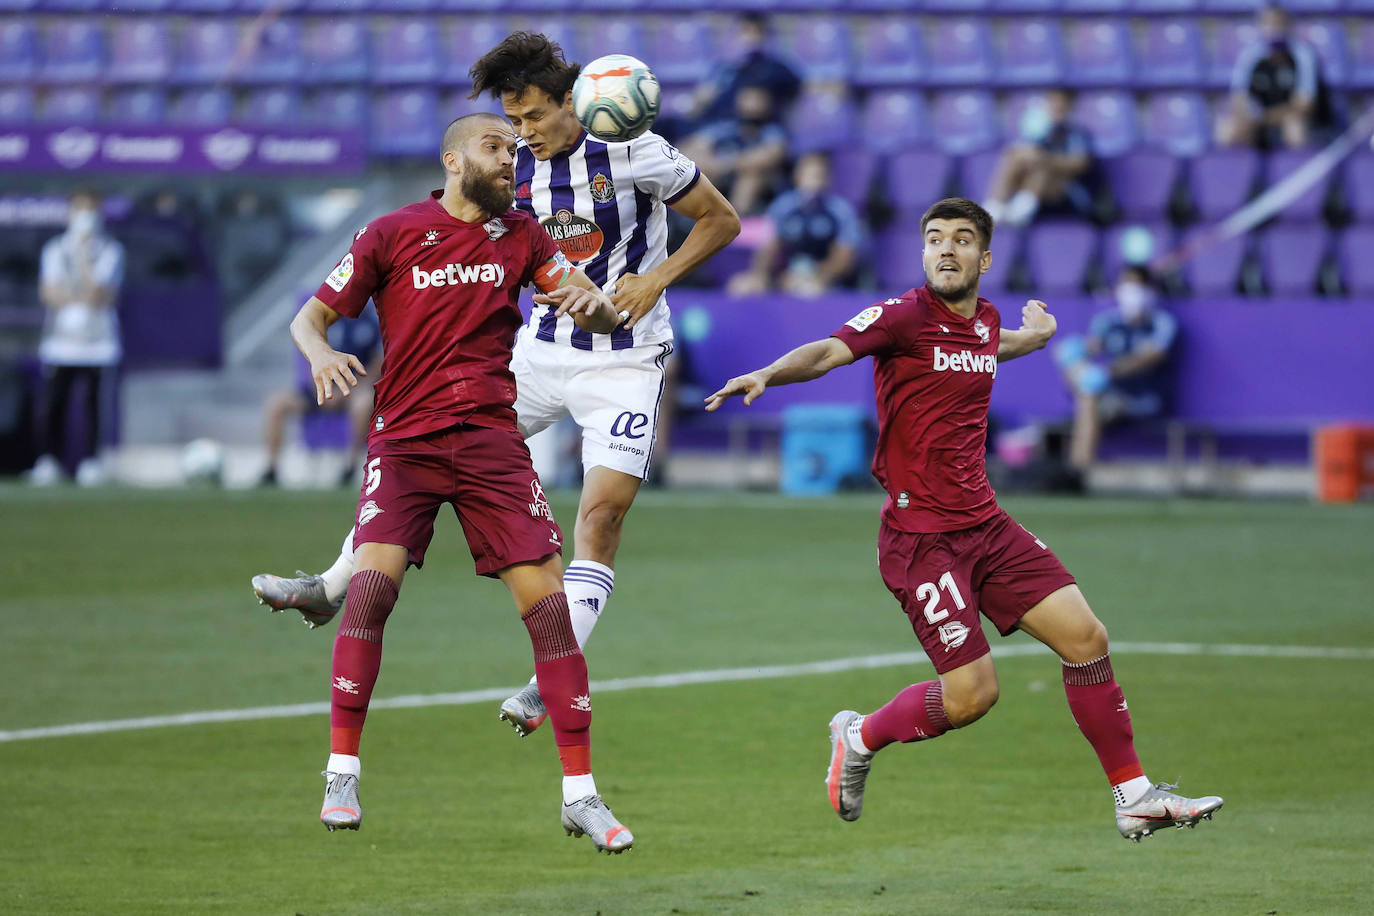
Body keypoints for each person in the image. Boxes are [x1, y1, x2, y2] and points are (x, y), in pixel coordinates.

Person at [252, 32, 740, 736]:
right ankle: (331, 586)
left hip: (626, 359)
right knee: (418, 448)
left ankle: (550, 678)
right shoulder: (511, 173)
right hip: (538, 353)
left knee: (600, 519)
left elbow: (722, 219)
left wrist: (656, 277)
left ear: (572, 103)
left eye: (535, 117)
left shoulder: (636, 149)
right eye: (511, 123)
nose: (523, 135)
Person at [705, 198, 1223, 842]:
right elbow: (831, 351)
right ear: (923, 254)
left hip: (988, 526)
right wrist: (767, 373)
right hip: (922, 541)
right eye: (934, 238)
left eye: (961, 239)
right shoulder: (901, 317)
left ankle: (1135, 796)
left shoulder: (984, 322)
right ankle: (859, 734)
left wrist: (1033, 339)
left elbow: (983, 345)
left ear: (985, 257)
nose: (946, 248)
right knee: (973, 697)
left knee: (1087, 640)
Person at [294, 110, 633, 851]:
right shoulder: (389, 231)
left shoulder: (526, 236)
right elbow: (310, 318)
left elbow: (598, 311)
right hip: (407, 442)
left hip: (490, 442)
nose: (508, 158)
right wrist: (321, 353)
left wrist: (596, 305)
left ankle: (581, 795)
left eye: (513, 149)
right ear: (454, 160)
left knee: (548, 611)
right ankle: (341, 773)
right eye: (493, 146)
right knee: (373, 589)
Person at [27, 189, 125, 487]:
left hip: (98, 341)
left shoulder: (110, 249)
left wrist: (83, 257)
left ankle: (90, 461)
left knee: (93, 403)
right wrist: (77, 295)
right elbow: (49, 293)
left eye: (91, 210)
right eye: (81, 209)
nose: (86, 217)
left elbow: (99, 293)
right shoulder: (55, 248)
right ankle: (49, 460)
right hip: (61, 340)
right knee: (56, 401)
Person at [1055, 265, 1178, 474]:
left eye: (1136, 285)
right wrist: (1072, 356)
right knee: (1085, 389)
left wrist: (1109, 372)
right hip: (1111, 397)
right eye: (1126, 284)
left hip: (1145, 398)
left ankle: (1078, 469)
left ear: (1149, 290)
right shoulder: (1107, 321)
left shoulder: (1162, 322)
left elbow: (1151, 358)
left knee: (1088, 397)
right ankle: (1079, 468)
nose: (1130, 291)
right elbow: (1090, 346)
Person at [257, 305, 380, 488]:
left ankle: (350, 467)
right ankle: (271, 468)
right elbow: (312, 355)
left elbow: (377, 365)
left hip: (354, 389)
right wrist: (323, 387)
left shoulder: (372, 324)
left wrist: (350, 388)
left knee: (363, 404)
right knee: (277, 403)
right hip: (323, 387)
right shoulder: (327, 320)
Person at [728, 152, 864, 297]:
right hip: (786, 276)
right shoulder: (783, 206)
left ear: (827, 180)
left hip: (825, 279)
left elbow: (843, 258)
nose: (812, 183)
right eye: (807, 175)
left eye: (817, 176)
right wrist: (760, 276)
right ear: (797, 177)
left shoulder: (841, 211)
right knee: (741, 287)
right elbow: (768, 247)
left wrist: (817, 277)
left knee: (807, 291)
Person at [1216, 3, 1332, 150]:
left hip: (1298, 121)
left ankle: (1295, 169)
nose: (1274, 29)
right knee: (1229, 129)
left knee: (1294, 125)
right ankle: (1239, 172)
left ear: (1289, 27)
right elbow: (1239, 98)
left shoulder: (1304, 55)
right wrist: (1251, 116)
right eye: (1268, 24)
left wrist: (1266, 118)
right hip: (1260, 121)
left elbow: (1304, 106)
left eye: (1279, 24)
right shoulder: (1251, 54)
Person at [982, 88, 1096, 228]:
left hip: (1070, 195)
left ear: (1069, 106)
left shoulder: (1077, 133)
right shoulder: (1042, 132)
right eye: (1053, 102)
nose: (1056, 107)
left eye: (1061, 104)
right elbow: (1026, 155)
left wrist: (1046, 160)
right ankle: (994, 209)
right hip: (1040, 198)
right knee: (1013, 157)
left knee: (1043, 168)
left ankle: (1019, 213)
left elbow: (1081, 164)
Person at [681, 84, 790, 217]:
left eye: (757, 100)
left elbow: (769, 156)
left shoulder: (772, 131)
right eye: (747, 99)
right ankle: (697, 220)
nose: (752, 106)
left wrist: (725, 164)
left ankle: (736, 222)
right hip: (722, 175)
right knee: (698, 170)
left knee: (751, 174)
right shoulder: (728, 127)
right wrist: (705, 159)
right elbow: (691, 146)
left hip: (764, 182)